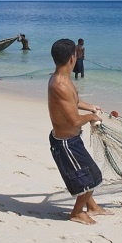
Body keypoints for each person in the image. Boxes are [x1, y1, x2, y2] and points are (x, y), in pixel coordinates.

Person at [48, 38, 109, 225]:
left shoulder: (62, 78)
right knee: (91, 178)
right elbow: (74, 119)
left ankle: (92, 207)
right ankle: (76, 213)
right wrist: (91, 118)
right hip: (65, 143)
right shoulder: (61, 84)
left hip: (72, 139)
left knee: (86, 174)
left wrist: (90, 107)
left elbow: (73, 102)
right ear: (72, 58)